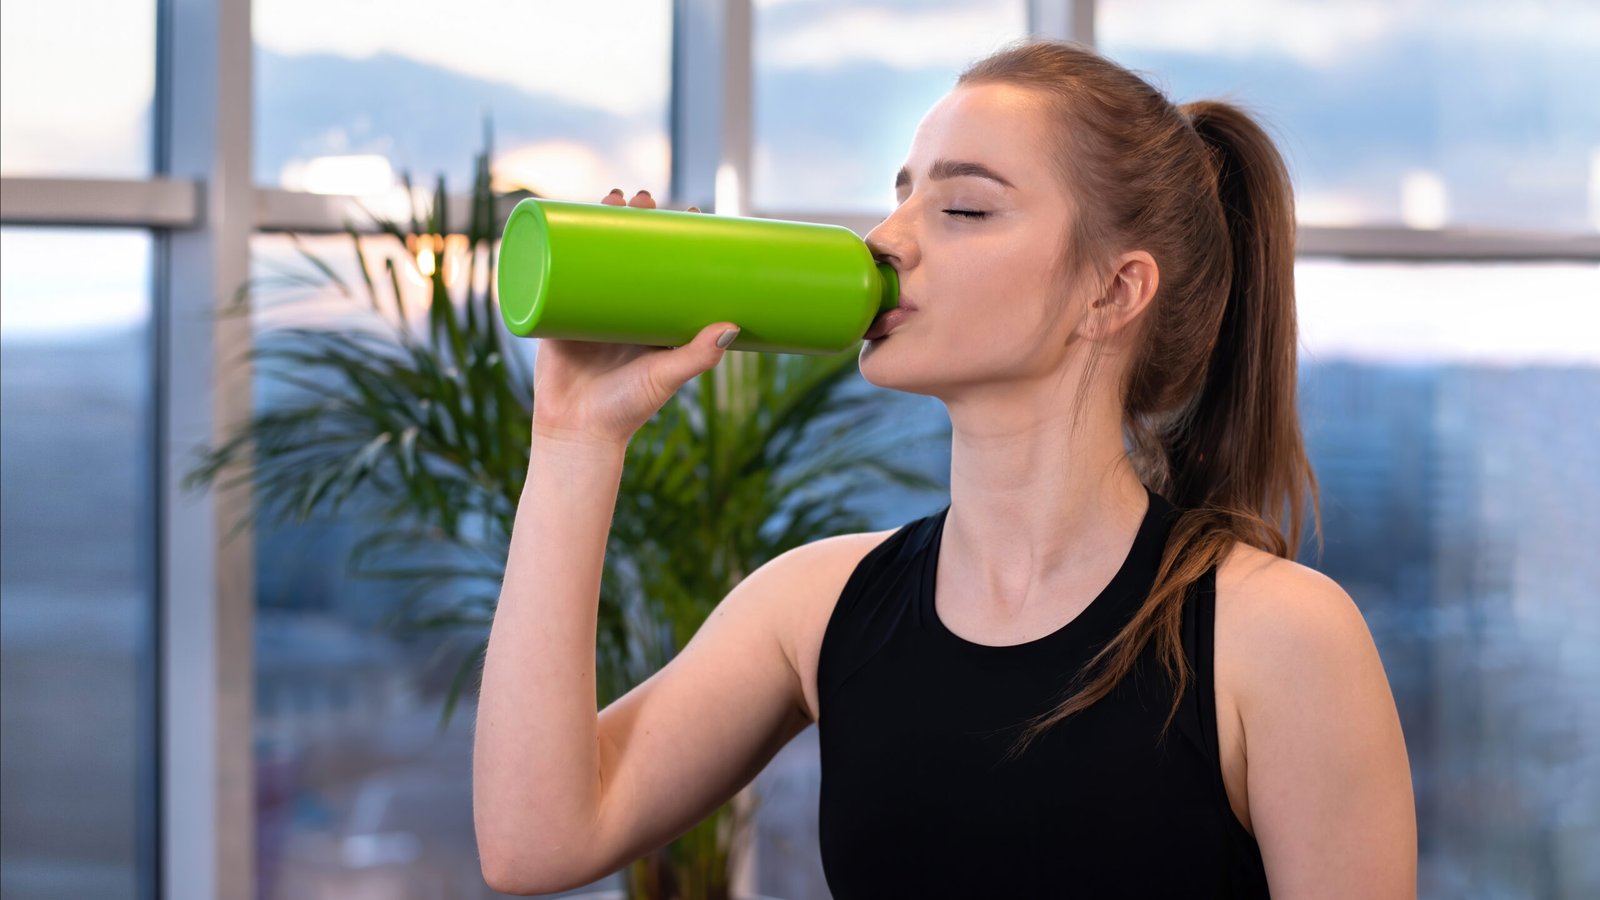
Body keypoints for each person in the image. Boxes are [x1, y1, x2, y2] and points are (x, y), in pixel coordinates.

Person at [474, 38, 1417, 898]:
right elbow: (536, 843)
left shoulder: (1278, 638)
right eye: (902, 193)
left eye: (963, 206)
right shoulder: (816, 606)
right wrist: (573, 440)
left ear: (1114, 290)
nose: (889, 240)